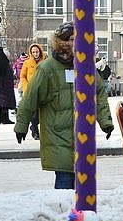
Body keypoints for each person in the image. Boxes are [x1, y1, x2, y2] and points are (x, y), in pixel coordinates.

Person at [14, 23, 114, 189]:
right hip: (56, 133)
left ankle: (77, 212)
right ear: (62, 42)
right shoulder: (47, 69)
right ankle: (62, 211)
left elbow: (99, 95)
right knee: (65, 178)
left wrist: (106, 122)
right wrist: (21, 126)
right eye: (72, 39)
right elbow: (30, 98)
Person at [18, 42, 45, 140]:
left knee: (41, 114)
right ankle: (35, 132)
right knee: (33, 114)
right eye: (33, 52)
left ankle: (34, 126)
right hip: (30, 91)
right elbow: (22, 76)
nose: (35, 54)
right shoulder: (27, 63)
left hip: (42, 91)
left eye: (37, 52)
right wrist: (26, 87)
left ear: (40, 52)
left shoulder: (45, 62)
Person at [0, 46, 17, 125]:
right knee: (4, 102)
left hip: (6, 84)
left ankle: (3, 118)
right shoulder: (3, 63)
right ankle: (3, 118)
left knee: (5, 102)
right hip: (4, 85)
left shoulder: (3, 63)